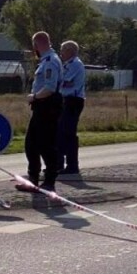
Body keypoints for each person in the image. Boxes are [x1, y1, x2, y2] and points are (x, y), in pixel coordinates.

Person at [16, 31, 63, 193]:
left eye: (34, 45)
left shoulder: (50, 61)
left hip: (47, 106)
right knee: (32, 145)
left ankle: (49, 181)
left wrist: (34, 96)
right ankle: (33, 180)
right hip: (41, 107)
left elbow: (49, 88)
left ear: (37, 45)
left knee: (46, 145)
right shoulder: (46, 60)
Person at [57, 40, 86, 175]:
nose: (61, 53)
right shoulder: (68, 64)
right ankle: (59, 163)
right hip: (66, 100)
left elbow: (66, 81)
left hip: (73, 100)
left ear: (69, 51)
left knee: (68, 132)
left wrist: (56, 82)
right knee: (60, 131)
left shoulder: (75, 64)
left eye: (62, 50)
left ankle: (72, 165)